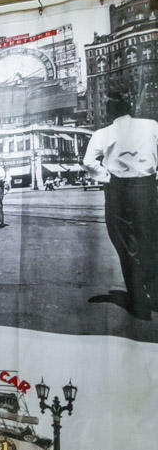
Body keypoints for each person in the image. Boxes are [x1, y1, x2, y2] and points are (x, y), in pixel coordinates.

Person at [84, 95, 158, 319]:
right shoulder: (152, 125)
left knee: (126, 244)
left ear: (108, 113)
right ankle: (155, 292)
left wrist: (107, 177)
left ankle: (139, 302)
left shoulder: (102, 134)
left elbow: (88, 162)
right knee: (151, 239)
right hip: (147, 188)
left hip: (119, 190)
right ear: (130, 107)